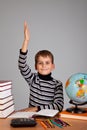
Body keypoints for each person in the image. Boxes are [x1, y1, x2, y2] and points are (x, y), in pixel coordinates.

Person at [18, 21, 64, 112]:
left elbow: (58, 106)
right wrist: (26, 41)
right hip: (32, 119)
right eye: (40, 63)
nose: (44, 65)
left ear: (53, 66)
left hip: (48, 119)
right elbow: (22, 65)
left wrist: (35, 109)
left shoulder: (57, 84)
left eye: (47, 63)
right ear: (35, 66)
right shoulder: (33, 79)